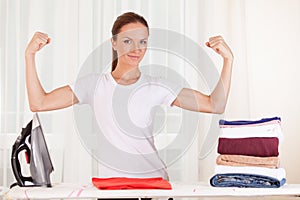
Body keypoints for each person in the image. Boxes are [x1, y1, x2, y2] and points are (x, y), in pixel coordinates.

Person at [25, 12, 233, 199]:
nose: (136, 49)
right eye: (127, 41)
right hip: (111, 190)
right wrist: (30, 55)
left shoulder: (157, 86)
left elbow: (214, 104)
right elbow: (39, 103)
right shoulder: (93, 85)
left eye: (142, 41)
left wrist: (228, 60)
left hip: (152, 188)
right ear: (113, 43)